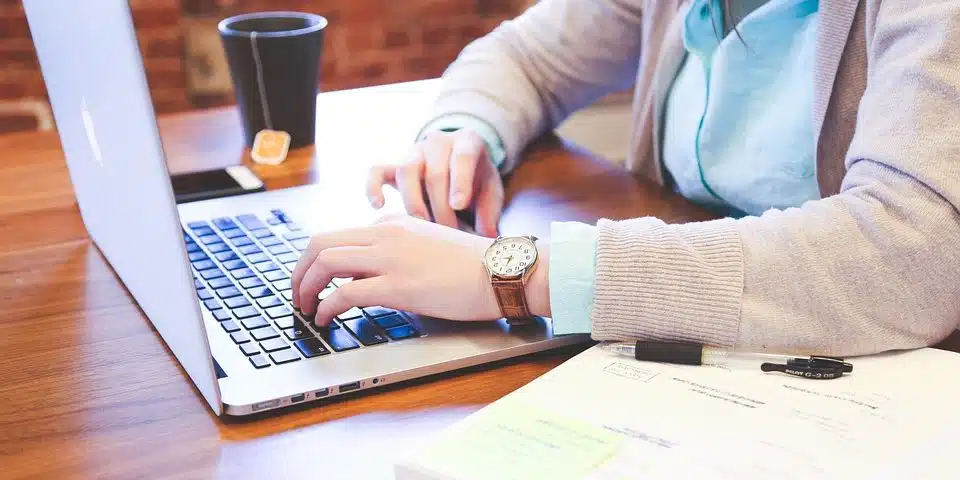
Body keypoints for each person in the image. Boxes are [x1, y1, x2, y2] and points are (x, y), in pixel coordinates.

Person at [291, 0, 960, 356]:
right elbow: (525, 56)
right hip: (694, 357)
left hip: (875, 388)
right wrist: (462, 134)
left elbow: (911, 251)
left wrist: (514, 275)